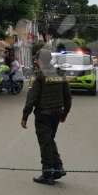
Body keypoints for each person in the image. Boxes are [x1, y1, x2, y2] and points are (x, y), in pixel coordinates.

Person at [21, 49, 72, 185]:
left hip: (43, 115)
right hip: (56, 114)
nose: (35, 61)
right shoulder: (60, 74)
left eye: (36, 59)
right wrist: (65, 114)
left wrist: (25, 116)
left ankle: (47, 174)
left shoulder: (38, 76)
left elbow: (31, 98)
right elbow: (67, 97)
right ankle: (58, 168)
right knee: (49, 140)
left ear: (39, 60)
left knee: (45, 143)